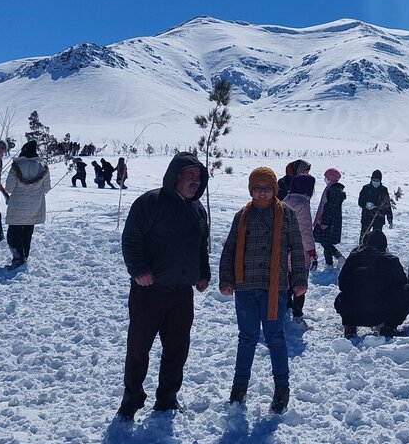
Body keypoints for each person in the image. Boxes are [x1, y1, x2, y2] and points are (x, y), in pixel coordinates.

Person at [116, 153, 211, 421]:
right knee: (138, 348)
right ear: (175, 175)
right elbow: (132, 239)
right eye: (189, 174)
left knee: (177, 348)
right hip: (149, 291)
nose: (195, 180)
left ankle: (167, 397)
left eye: (198, 176)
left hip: (182, 293)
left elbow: (201, 246)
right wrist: (139, 270)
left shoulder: (197, 210)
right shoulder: (150, 202)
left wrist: (203, 273)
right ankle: (131, 398)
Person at [219, 167, 308, 414]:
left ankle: (281, 389)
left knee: (275, 337)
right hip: (245, 286)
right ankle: (239, 388)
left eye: (266, 188)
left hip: (274, 288)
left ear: (275, 189)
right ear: (250, 189)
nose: (262, 192)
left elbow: (297, 250)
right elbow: (230, 248)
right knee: (246, 338)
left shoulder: (287, 215)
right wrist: (226, 279)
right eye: (257, 188)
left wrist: (300, 279)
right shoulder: (242, 215)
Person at [336, 230, 409, 338]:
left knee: (343, 295)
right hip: (380, 314)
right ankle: (390, 326)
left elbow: (342, 284)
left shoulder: (353, 258)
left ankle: (349, 326)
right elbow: (404, 285)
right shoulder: (391, 260)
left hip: (353, 313)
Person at [4, 141, 51, 269]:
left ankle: (18, 257)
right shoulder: (42, 166)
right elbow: (47, 187)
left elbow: (9, 188)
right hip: (35, 206)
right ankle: (24, 257)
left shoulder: (16, 166)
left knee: (13, 234)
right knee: (27, 233)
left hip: (17, 207)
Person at [281, 171, 318, 320]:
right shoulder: (303, 204)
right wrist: (311, 251)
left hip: (284, 249)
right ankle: (297, 313)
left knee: (286, 282)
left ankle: (286, 306)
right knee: (300, 283)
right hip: (299, 251)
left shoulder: (285, 200)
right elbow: (305, 231)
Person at [314, 168, 346, 267]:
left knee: (326, 242)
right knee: (325, 242)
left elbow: (329, 207)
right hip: (328, 220)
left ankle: (331, 263)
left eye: (327, 177)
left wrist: (325, 222)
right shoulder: (331, 189)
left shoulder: (333, 190)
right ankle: (337, 259)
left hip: (329, 222)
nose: (325, 179)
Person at [358, 169, 393, 240]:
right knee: (364, 236)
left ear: (380, 181)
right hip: (367, 216)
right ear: (371, 179)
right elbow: (360, 201)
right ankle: (362, 249)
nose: (375, 182)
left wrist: (390, 218)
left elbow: (387, 205)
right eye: (374, 180)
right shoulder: (366, 188)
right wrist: (365, 205)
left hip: (379, 217)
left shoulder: (384, 190)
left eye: (377, 181)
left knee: (376, 237)